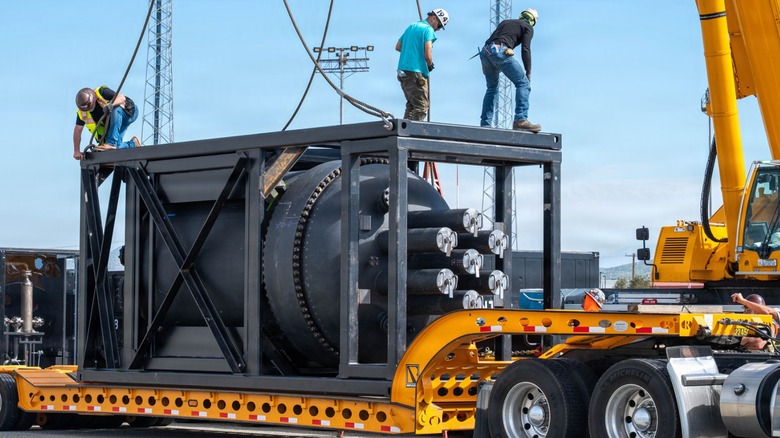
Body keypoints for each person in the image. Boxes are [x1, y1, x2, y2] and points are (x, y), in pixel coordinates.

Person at [479, 8, 541, 133]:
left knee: (491, 89)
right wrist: (528, 71)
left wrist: (485, 63)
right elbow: (526, 49)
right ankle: (521, 119)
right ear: (533, 21)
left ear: (521, 16)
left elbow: (491, 39)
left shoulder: (506, 22)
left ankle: (485, 125)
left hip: (486, 52)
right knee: (523, 84)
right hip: (500, 51)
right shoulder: (528, 27)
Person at [396, 8, 449, 122]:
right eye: (439, 26)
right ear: (434, 18)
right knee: (421, 107)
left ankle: (405, 132)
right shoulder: (428, 29)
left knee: (412, 104)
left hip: (403, 71)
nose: (438, 29)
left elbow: (398, 46)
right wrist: (429, 64)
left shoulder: (412, 27)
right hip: (416, 72)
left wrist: (412, 52)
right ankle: (415, 133)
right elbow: (428, 53)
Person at [73, 86, 141, 160]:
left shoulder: (101, 92)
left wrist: (110, 105)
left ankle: (111, 143)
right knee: (114, 149)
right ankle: (133, 144)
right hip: (116, 123)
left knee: (115, 109)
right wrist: (76, 151)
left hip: (128, 112)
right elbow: (77, 130)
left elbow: (122, 98)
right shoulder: (82, 113)